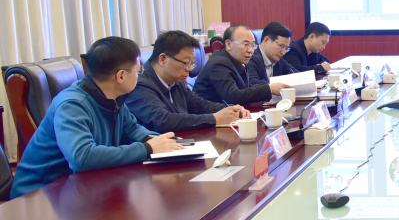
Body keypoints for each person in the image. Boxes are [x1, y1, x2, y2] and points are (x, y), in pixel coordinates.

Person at [10, 37, 182, 198]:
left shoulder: (113, 96)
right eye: (138, 72)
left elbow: (132, 129)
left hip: (79, 187)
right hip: (39, 195)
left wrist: (159, 141)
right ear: (121, 76)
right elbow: (82, 157)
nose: (140, 76)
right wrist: (147, 148)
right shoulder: (72, 105)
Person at [126, 30, 249, 132]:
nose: (190, 69)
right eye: (186, 63)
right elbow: (162, 120)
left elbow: (199, 105)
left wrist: (230, 110)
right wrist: (215, 119)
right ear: (163, 59)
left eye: (192, 63)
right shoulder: (139, 85)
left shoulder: (176, 80)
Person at [194, 25, 289, 105]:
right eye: (246, 44)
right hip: (208, 116)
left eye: (253, 45)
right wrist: (269, 89)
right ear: (228, 44)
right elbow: (233, 96)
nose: (250, 50)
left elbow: (247, 89)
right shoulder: (219, 64)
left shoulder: (238, 61)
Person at [247, 21, 299, 85]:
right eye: (281, 46)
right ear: (266, 40)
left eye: (286, 48)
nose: (283, 52)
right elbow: (252, 83)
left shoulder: (278, 60)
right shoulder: (250, 58)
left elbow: (296, 75)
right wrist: (276, 85)